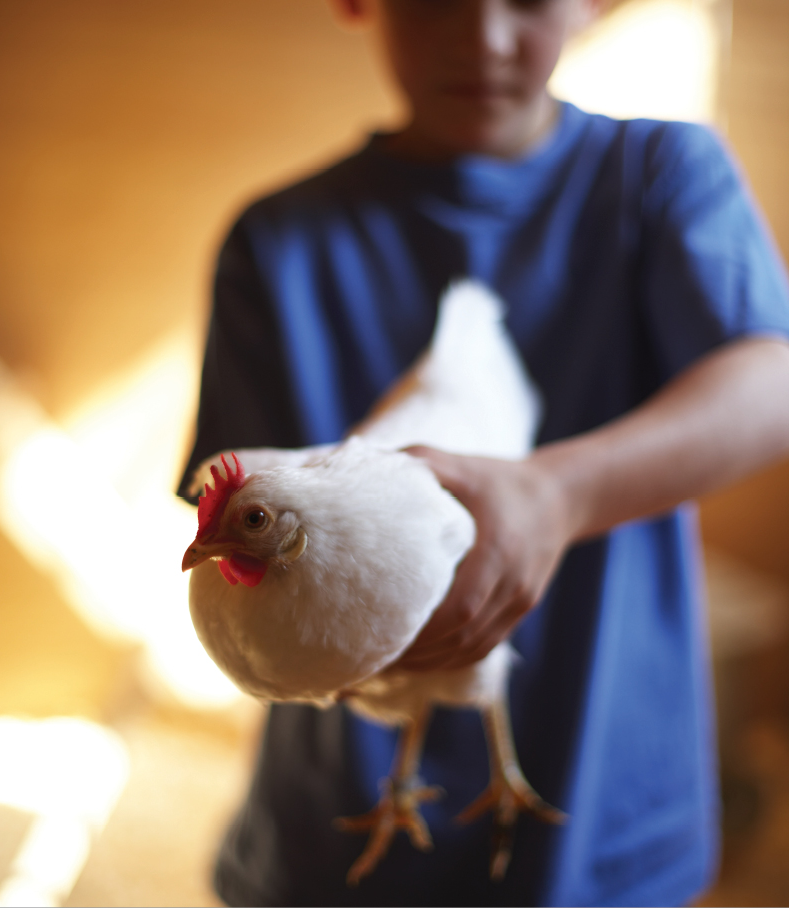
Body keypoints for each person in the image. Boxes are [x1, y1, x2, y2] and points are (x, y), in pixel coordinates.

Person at [178, 0, 789, 904]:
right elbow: (234, 518)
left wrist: (559, 493)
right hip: (335, 834)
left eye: (528, 0)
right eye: (432, 2)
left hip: (600, 804)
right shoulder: (276, 241)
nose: (484, 39)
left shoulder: (659, 175)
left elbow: (770, 385)